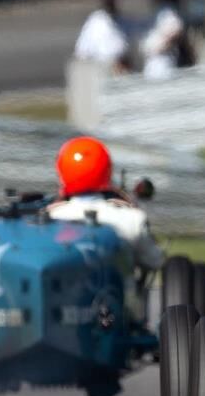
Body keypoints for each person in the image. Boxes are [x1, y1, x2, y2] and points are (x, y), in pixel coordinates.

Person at [47, 136, 164, 322]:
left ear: (62, 173)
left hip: (60, 311)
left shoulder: (50, 218)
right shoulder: (131, 218)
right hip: (120, 314)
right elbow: (155, 260)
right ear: (106, 170)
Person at [73, 0, 129, 73]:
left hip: (121, 64)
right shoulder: (96, 20)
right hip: (103, 64)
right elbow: (82, 48)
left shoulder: (120, 19)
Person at [141, 0, 186, 80]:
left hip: (165, 64)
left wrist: (163, 45)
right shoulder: (153, 14)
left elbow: (177, 31)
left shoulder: (169, 12)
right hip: (151, 66)